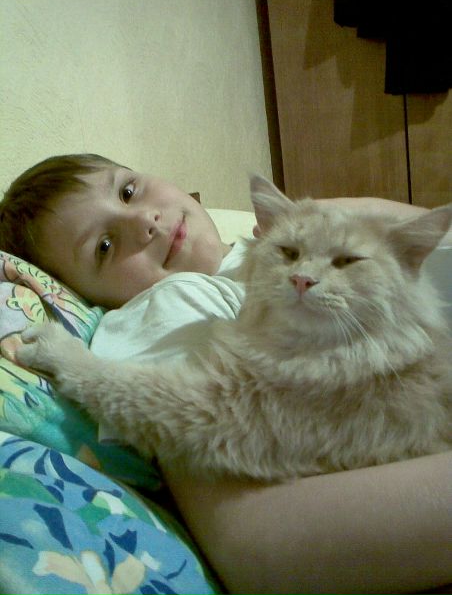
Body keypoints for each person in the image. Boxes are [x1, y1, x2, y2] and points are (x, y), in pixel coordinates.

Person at [1, 153, 451, 594]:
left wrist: (336, 217)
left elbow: (423, 233)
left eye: (128, 190)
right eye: (104, 246)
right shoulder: (167, 301)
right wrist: (76, 367)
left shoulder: (263, 247)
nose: (145, 222)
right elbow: (200, 419)